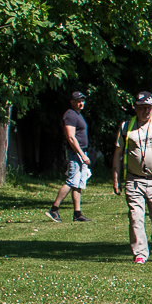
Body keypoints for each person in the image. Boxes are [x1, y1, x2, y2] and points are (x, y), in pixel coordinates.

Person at [111, 92, 152, 263]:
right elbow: (118, 152)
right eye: (141, 107)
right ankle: (140, 253)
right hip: (134, 180)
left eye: (148, 108)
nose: (145, 111)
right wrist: (115, 177)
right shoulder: (127, 126)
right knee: (136, 217)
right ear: (135, 107)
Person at [46, 91, 95, 223]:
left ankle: (77, 213)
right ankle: (54, 209)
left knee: (78, 183)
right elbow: (71, 137)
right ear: (71, 101)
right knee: (72, 180)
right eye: (78, 101)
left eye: (82, 100)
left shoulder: (78, 115)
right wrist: (81, 154)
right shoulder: (70, 115)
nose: (81, 103)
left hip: (80, 152)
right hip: (75, 153)